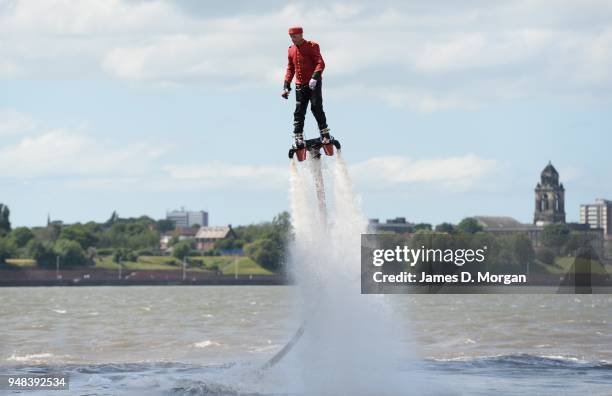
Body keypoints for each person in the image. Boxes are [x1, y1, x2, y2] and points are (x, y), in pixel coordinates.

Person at [281, 26, 331, 149]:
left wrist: (315, 77)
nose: (293, 39)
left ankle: (325, 134)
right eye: (291, 37)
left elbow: (320, 63)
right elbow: (291, 68)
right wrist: (286, 85)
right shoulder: (291, 50)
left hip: (313, 83)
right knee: (299, 111)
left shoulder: (312, 46)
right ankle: (298, 137)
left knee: (316, 107)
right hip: (300, 85)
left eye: (295, 36)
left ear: (301, 35)